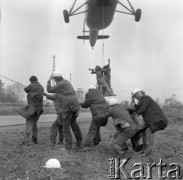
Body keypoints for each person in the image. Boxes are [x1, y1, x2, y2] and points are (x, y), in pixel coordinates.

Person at [44, 70, 82, 152]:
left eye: (54, 79)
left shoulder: (60, 84)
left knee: (66, 128)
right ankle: (79, 143)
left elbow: (49, 90)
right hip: (75, 105)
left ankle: (68, 148)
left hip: (68, 106)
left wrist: (48, 80)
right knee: (74, 125)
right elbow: (54, 94)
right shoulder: (66, 83)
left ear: (55, 78)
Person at [131, 88, 168, 158]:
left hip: (159, 120)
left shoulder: (146, 98)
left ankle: (148, 152)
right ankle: (144, 150)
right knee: (143, 132)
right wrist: (133, 102)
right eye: (136, 95)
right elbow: (137, 108)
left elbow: (143, 108)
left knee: (148, 132)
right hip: (151, 121)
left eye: (139, 93)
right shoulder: (140, 101)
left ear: (142, 92)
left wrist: (136, 113)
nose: (138, 95)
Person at [17, 76, 44, 145]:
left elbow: (26, 90)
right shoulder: (41, 87)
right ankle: (35, 140)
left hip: (32, 108)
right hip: (39, 109)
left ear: (31, 81)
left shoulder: (31, 85)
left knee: (29, 124)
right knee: (34, 124)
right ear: (37, 80)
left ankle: (26, 142)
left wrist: (26, 87)